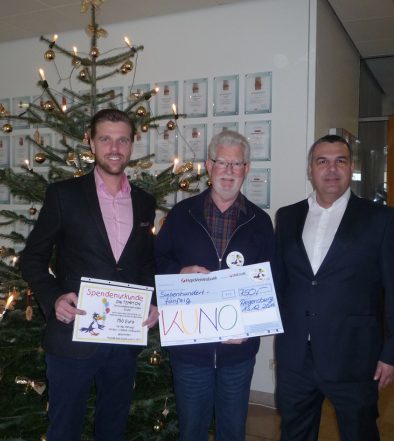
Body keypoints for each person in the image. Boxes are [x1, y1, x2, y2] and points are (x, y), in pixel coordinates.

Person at [20, 108, 159, 441]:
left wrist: (152, 301)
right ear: (91, 143)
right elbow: (32, 258)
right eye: (106, 139)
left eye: (122, 140)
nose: (115, 148)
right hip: (74, 334)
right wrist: (54, 298)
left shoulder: (144, 202)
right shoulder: (64, 195)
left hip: (123, 337)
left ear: (132, 144)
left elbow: (144, 263)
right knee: (64, 428)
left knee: (113, 426)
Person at [273, 134, 394, 441]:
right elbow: (279, 281)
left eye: (340, 161)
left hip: (355, 356)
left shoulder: (381, 219)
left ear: (351, 168)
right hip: (296, 357)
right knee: (294, 433)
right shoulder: (287, 216)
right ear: (310, 169)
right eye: (322, 161)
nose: (331, 169)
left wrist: (392, 353)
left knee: (360, 433)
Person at [155, 130, 274, 441]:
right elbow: (156, 261)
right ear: (209, 165)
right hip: (190, 351)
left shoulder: (260, 222)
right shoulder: (182, 215)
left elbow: (270, 282)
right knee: (192, 430)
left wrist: (250, 326)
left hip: (238, 353)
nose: (229, 171)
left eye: (237, 164)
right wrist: (180, 272)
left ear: (247, 169)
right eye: (222, 162)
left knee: (232, 431)